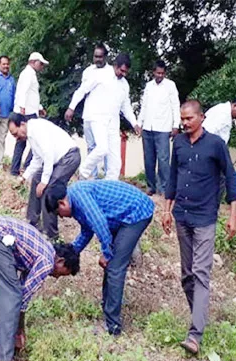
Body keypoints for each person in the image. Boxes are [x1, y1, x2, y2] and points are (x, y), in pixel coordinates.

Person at [162, 100, 236, 355]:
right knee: (186, 276)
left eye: (189, 119)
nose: (184, 123)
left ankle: (195, 334)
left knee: (200, 273)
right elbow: (172, 177)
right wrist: (166, 210)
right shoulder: (180, 143)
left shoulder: (216, 144)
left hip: (205, 217)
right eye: (182, 119)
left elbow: (229, 177)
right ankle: (200, 315)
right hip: (182, 215)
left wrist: (233, 215)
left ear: (201, 118)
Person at [46, 180, 154, 336]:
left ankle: (113, 327)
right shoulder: (76, 204)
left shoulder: (79, 195)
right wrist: (71, 252)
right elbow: (87, 231)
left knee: (115, 266)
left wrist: (107, 253)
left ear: (61, 203)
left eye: (58, 214)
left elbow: (99, 223)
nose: (62, 218)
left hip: (135, 213)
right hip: (121, 217)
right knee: (111, 265)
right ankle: (108, 309)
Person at [0, 216, 80, 361]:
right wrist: (20, 331)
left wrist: (20, 328)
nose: (57, 277)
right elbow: (22, 298)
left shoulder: (43, 251)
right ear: (60, 261)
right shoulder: (47, 261)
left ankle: (7, 351)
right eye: (62, 273)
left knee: (11, 294)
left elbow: (24, 287)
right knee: (11, 297)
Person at [8, 113, 81, 240]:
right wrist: (24, 177)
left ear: (23, 124)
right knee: (36, 178)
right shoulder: (31, 135)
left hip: (69, 157)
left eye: (15, 133)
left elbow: (48, 154)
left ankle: (51, 234)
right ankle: (32, 222)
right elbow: (37, 159)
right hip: (57, 161)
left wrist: (44, 181)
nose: (16, 138)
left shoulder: (37, 129)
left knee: (49, 188)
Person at [76, 53, 140, 180]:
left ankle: (110, 185)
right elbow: (82, 90)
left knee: (115, 160)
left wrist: (135, 123)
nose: (124, 74)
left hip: (113, 122)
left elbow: (126, 106)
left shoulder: (124, 85)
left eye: (126, 72)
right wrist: (72, 107)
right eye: (122, 71)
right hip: (97, 118)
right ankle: (83, 172)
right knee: (102, 148)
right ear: (115, 66)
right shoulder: (101, 75)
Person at [65, 43, 114, 177]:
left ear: (105, 57)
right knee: (91, 147)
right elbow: (82, 90)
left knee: (104, 149)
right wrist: (71, 107)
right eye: (95, 56)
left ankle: (107, 178)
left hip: (103, 117)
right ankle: (91, 178)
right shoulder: (88, 71)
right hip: (89, 115)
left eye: (100, 57)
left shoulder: (111, 72)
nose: (97, 59)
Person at [138, 60, 180, 196]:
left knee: (163, 159)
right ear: (153, 72)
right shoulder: (149, 86)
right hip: (147, 127)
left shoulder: (170, 86)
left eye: (162, 73)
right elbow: (144, 106)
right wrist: (139, 123)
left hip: (163, 128)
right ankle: (151, 186)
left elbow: (175, 105)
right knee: (149, 159)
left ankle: (164, 188)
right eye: (158, 73)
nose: (160, 75)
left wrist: (176, 125)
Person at [11, 52, 48, 176]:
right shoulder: (28, 74)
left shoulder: (30, 74)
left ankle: (17, 169)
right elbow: (23, 91)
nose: (42, 66)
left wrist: (39, 108)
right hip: (26, 113)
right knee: (33, 141)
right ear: (33, 61)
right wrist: (22, 107)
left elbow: (32, 95)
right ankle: (25, 167)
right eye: (40, 63)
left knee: (23, 142)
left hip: (29, 110)